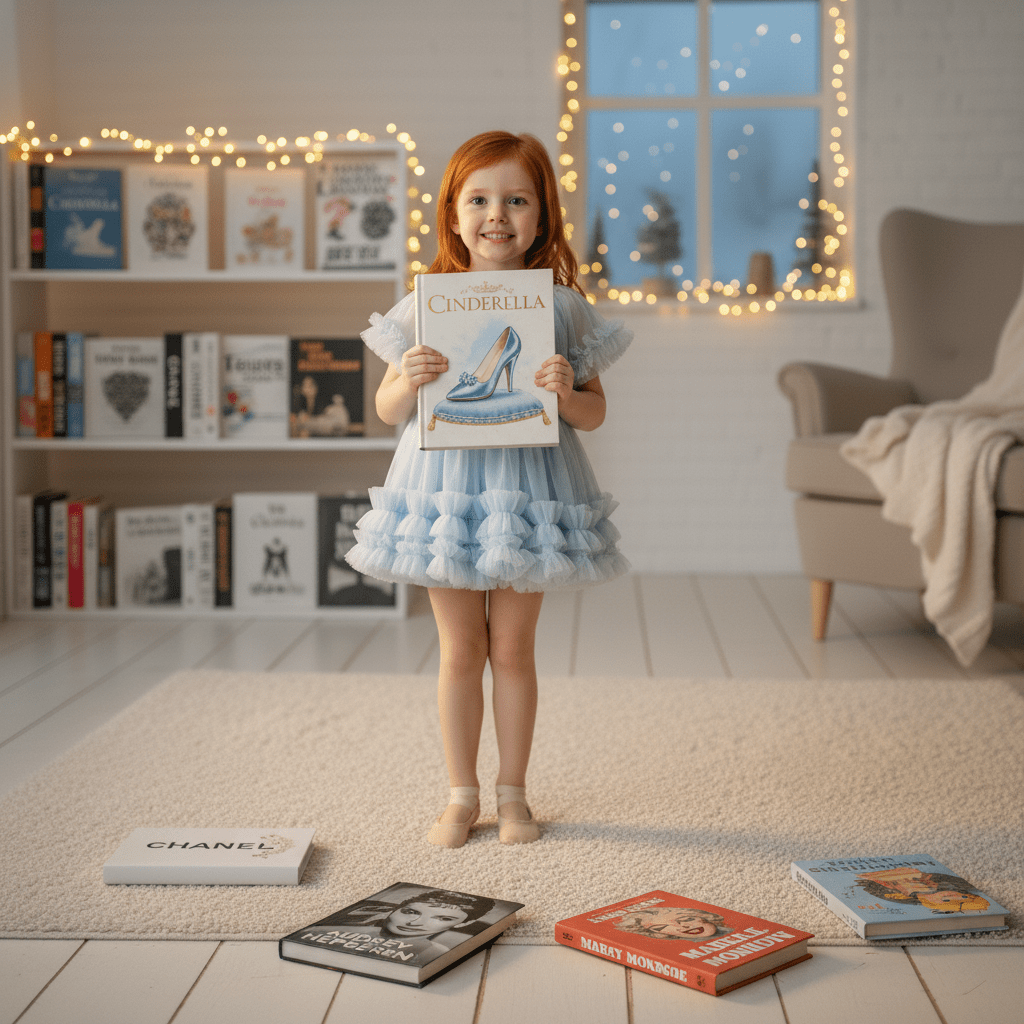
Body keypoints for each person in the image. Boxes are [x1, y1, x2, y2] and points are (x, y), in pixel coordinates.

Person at [346, 130, 632, 847]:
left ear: (542, 217)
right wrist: (408, 380)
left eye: (516, 200)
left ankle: (513, 792)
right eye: (478, 199)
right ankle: (460, 793)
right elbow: (386, 408)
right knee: (459, 650)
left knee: (512, 650)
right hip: (444, 492)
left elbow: (594, 414)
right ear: (452, 213)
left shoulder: (561, 308)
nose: (496, 215)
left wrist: (566, 392)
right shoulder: (426, 302)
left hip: (529, 490)